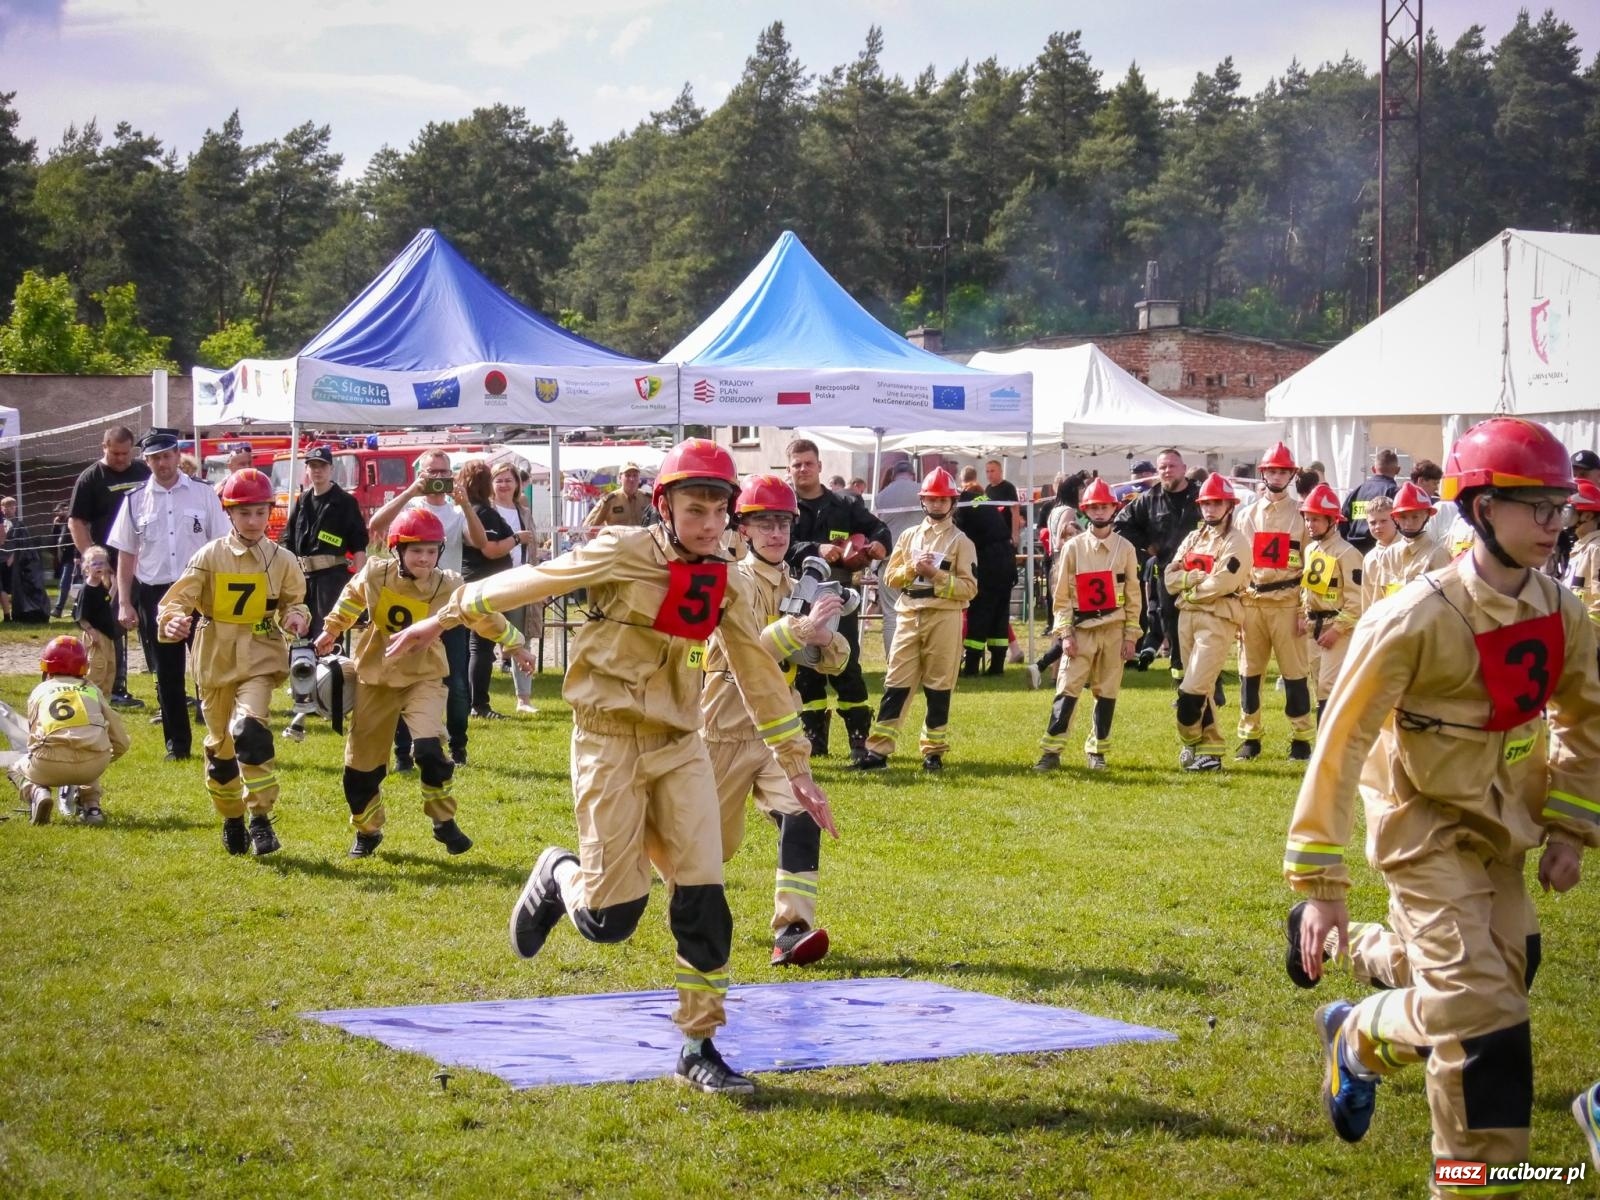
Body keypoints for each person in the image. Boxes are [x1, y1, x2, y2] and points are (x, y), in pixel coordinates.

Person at [389, 438, 836, 1095]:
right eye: (694, 510)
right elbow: (533, 579)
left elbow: (757, 673)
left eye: (718, 511)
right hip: (607, 742)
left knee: (703, 897)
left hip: (683, 744)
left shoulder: (729, 584)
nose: (709, 525)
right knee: (610, 919)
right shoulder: (623, 550)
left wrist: (796, 764)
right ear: (665, 508)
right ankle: (558, 873)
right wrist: (444, 618)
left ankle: (699, 1044)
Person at [1285, 418, 1600, 1185]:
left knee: (1509, 971)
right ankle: (1477, 1176)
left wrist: (1569, 826)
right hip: (1420, 827)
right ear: (1484, 507)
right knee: (1481, 1008)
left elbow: (1584, 715)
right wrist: (1320, 886)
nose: (1556, 526)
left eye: (1563, 508)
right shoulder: (1412, 617)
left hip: (1502, 832)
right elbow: (1342, 742)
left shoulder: (1563, 612)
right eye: (1539, 508)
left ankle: (1356, 1031)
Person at [317, 506, 529, 858]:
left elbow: (479, 614)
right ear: (397, 550)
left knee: (431, 751)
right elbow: (350, 598)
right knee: (360, 771)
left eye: (432, 551)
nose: (425, 558)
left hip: (425, 676)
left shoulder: (448, 583)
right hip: (377, 676)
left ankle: (443, 821)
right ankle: (368, 830)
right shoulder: (376, 573)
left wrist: (515, 643)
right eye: (417, 550)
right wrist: (331, 629)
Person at [703, 474, 846, 965]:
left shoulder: (799, 582)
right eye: (763, 522)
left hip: (777, 731)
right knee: (709, 850)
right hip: (721, 725)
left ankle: (792, 930)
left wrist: (827, 641)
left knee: (801, 813)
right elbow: (750, 650)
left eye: (782, 521)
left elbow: (837, 658)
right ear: (742, 530)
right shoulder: (729, 579)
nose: (774, 532)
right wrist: (799, 629)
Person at [157, 469, 309, 857]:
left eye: (260, 512)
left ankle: (260, 819)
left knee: (251, 730)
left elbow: (296, 602)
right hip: (214, 659)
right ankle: (232, 818)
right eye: (245, 514)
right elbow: (177, 600)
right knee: (221, 751)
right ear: (229, 513)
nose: (254, 521)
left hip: (260, 654)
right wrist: (171, 619)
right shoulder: (209, 556)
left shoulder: (283, 559)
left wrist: (296, 617)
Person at [109, 428, 231, 760]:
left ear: (178, 455)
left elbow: (222, 545)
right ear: (146, 461)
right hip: (157, 594)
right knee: (167, 672)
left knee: (210, 669)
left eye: (168, 456)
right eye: (156, 458)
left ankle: (221, 739)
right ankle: (177, 745)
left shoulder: (203, 494)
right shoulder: (135, 501)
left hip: (201, 589)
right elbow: (126, 554)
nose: (163, 463)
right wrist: (124, 601)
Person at [368, 450, 487, 769]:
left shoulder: (457, 509)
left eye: (444, 472)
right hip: (411, 603)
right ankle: (403, 752)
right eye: (432, 472)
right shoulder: (409, 504)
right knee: (404, 677)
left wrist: (464, 502)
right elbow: (375, 526)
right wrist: (411, 491)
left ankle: (459, 749)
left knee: (457, 681)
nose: (438, 478)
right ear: (419, 473)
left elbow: (481, 542)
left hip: (448, 601)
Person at [853, 467, 976, 772]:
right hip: (909, 614)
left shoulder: (961, 542)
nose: (936, 505)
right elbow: (891, 576)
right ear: (923, 501)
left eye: (942, 500)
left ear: (952, 503)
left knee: (938, 685)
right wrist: (911, 569)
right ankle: (877, 751)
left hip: (943, 616)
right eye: (931, 500)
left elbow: (970, 588)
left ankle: (933, 751)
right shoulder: (908, 537)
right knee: (896, 682)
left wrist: (936, 575)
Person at [785, 438, 890, 761]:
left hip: (838, 595)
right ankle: (814, 739)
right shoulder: (783, 506)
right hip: (796, 595)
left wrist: (877, 546)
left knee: (846, 664)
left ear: (820, 466)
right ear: (789, 468)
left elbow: (879, 528)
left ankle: (859, 741)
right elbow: (779, 543)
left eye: (808, 463)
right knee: (805, 668)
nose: (803, 469)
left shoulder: (845, 505)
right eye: (796, 464)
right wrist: (816, 549)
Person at [1033, 477, 1141, 772]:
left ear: (1114, 509)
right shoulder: (1073, 548)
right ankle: (1051, 751)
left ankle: (1097, 751)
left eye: (1104, 506)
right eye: (1093, 507)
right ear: (1085, 510)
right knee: (1067, 689)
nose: (1099, 512)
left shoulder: (1126, 549)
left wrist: (1131, 636)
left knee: (1107, 692)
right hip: (1080, 631)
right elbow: (1062, 596)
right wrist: (1065, 633)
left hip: (1113, 631)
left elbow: (1133, 596)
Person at [280, 444, 369, 739]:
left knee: (328, 636)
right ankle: (305, 694)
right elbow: (289, 541)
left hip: (332, 577)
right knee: (301, 635)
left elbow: (358, 545)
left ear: (331, 469)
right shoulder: (303, 500)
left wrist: (359, 584)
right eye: (312, 465)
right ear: (307, 469)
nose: (316, 470)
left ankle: (331, 695)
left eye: (322, 465)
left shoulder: (344, 502)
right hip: (303, 575)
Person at [1233, 442, 1314, 762]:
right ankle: (1250, 737)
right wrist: (1237, 609)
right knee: (1249, 674)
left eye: (1282, 471)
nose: (1277, 476)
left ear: (1291, 475)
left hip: (1288, 602)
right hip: (1253, 602)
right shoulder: (1246, 515)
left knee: (1294, 673)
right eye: (1271, 471)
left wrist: (1304, 609)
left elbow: (1311, 566)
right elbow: (1237, 564)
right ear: (1263, 473)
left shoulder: (1302, 515)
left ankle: (1301, 737)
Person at [1164, 473, 1249, 771]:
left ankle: (1191, 738)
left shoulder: (1237, 542)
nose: (1210, 509)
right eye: (1206, 504)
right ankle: (1209, 750)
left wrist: (1190, 591)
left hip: (1217, 618)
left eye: (1216, 503)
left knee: (1192, 690)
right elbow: (1169, 577)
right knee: (1204, 690)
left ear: (1229, 505)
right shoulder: (1193, 538)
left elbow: (1223, 582)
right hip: (1186, 618)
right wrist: (1188, 580)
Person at [68, 425, 150, 709]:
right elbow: (76, 521)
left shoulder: (143, 472)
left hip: (147, 561)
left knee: (151, 623)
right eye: (115, 453)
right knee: (111, 626)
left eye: (126, 454)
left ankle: (164, 684)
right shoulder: (91, 478)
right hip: (111, 566)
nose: (121, 459)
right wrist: (93, 558)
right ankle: (115, 687)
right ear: (104, 447)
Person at [8, 636, 129, 825]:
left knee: (15, 766)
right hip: (93, 765)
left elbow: (33, 738)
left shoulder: (40, 691)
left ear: (46, 666)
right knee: (90, 750)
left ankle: (37, 792)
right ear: (83, 666)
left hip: (48, 763)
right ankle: (92, 808)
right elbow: (121, 740)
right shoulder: (92, 689)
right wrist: (106, 755)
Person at [1114, 449, 1202, 682]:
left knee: (1204, 630)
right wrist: (1148, 546)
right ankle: (1181, 685)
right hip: (1168, 576)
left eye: (1172, 466)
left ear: (1184, 469)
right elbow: (1121, 524)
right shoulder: (1149, 499)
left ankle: (1213, 686)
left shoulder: (1201, 496)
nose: (1167, 470)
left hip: (1202, 575)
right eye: (1162, 467)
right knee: (1173, 630)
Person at [459, 459, 527, 721]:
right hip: (483, 584)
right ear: (485, 483)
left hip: (477, 583)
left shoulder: (476, 511)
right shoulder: (482, 513)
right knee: (481, 647)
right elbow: (490, 550)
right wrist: (517, 538)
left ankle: (472, 703)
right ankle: (479, 705)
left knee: (474, 646)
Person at [1298, 484, 1366, 726]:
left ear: (1332, 521)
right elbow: (1308, 589)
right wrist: (1301, 615)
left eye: (1316, 519)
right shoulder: (1310, 550)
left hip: (1337, 630)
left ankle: (1330, 744)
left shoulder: (1347, 553)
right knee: (1318, 685)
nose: (1310, 524)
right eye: (1308, 519)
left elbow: (1357, 600)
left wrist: (1338, 629)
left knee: (1329, 685)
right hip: (1313, 627)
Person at [489, 461, 541, 714]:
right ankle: (478, 700)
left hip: (520, 582)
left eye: (508, 479)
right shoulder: (486, 510)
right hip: (491, 582)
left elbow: (532, 546)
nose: (503, 484)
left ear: (517, 484)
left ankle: (524, 699)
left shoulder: (524, 510)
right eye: (498, 479)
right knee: (482, 641)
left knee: (520, 640)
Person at [955, 466, 1014, 676]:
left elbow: (957, 537)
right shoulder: (980, 499)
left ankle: (971, 666)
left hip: (989, 560)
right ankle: (997, 665)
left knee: (980, 611)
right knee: (1000, 612)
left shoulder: (961, 506)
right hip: (1007, 558)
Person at [1362, 481, 1452, 607]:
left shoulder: (1437, 554)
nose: (1409, 523)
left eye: (1415, 517)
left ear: (1426, 516)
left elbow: (1447, 604)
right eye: (1403, 517)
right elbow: (1376, 601)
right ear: (1395, 518)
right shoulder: (1388, 555)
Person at [873, 460, 923, 658]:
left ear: (894, 475)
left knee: (891, 615)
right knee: (919, 612)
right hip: (918, 560)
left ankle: (893, 662)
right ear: (912, 474)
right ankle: (916, 661)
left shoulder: (881, 496)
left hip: (889, 559)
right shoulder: (922, 491)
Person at [73, 546, 119, 696]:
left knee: (109, 668)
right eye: (95, 564)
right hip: (95, 635)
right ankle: (89, 700)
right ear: (86, 568)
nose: (99, 566)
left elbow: (106, 601)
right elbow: (81, 617)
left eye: (102, 563)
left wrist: (115, 587)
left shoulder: (101, 586)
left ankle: (104, 703)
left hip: (107, 635)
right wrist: (92, 632)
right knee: (96, 669)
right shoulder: (87, 590)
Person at [1565, 479, 1600, 671]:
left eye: (1570, 513)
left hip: (1590, 643)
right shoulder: (1581, 546)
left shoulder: (1596, 549)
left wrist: (1589, 640)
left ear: (1586, 515)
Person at [1340, 447, 1401, 554]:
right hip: (1380, 551)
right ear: (1398, 470)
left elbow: (1342, 522)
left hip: (1352, 550)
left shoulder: (1356, 491)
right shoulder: (1395, 493)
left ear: (1373, 469)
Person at [582, 463, 651, 529]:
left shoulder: (648, 499)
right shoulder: (609, 501)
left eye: (635, 475)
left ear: (639, 478)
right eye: (627, 475)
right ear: (620, 478)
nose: (632, 479)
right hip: (619, 541)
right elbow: (587, 527)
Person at [51, 503, 76, 618]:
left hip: (74, 557)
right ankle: (74, 608)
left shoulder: (72, 521)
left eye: (62, 511)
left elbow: (76, 539)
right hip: (65, 558)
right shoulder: (62, 524)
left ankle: (59, 608)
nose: (60, 513)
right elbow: (54, 539)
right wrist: (55, 526)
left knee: (67, 583)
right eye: (58, 511)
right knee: (70, 583)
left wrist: (78, 556)